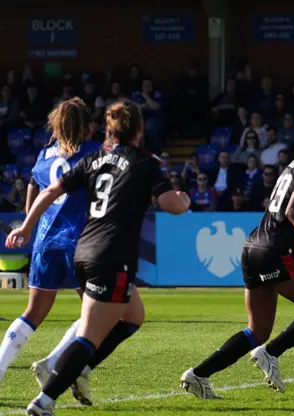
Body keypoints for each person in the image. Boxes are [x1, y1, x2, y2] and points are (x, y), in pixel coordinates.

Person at [5, 99, 190, 416]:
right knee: (92, 333)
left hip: (81, 248)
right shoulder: (144, 161)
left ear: (109, 130)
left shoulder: (93, 159)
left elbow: (47, 191)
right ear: (141, 129)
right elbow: (172, 205)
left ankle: (67, 367)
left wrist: (26, 226)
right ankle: (47, 397)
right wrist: (183, 200)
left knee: (132, 317)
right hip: (109, 252)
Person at [180, 116, 294, 398]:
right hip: (278, 252)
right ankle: (271, 353)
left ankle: (198, 374)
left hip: (252, 247)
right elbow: (292, 212)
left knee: (257, 330)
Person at [0, 98, 100, 394]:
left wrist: (27, 224)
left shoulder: (45, 154)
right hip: (78, 241)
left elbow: (33, 182)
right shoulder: (94, 152)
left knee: (32, 313)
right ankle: (54, 361)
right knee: (97, 312)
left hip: (45, 240)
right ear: (85, 125)